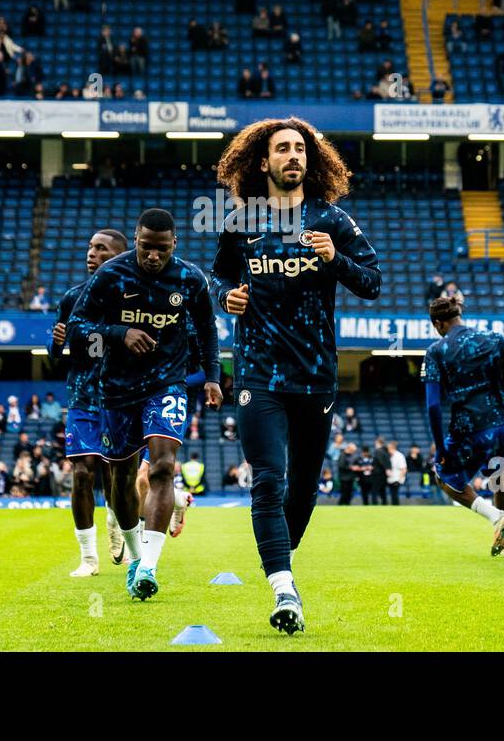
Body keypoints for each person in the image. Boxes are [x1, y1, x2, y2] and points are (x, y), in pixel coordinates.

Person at [209, 117, 381, 635]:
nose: (293, 156)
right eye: (282, 149)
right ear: (263, 162)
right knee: (268, 478)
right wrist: (226, 296)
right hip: (258, 374)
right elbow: (219, 275)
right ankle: (284, 588)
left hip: (316, 377)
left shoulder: (334, 221)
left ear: (312, 160)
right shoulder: (240, 221)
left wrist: (334, 261)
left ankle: (281, 558)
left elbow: (372, 281)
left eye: (301, 149)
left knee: (303, 491)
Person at [66, 209, 223, 602]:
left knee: (164, 466)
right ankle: (135, 556)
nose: (153, 256)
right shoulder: (111, 275)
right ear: (136, 240)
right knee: (120, 478)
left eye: (161, 249)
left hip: (166, 384)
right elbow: (77, 326)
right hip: (116, 388)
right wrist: (121, 332)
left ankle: (150, 566)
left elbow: (207, 329)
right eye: (146, 247)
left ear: (175, 245)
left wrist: (213, 377)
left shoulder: (190, 279)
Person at [422, 295, 504, 555]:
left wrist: (440, 449)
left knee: (443, 475)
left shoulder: (436, 351)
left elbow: (433, 406)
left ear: (438, 324)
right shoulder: (493, 338)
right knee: (499, 480)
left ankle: (495, 516)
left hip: (470, 427)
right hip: (503, 424)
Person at [51, 227, 128, 575]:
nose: (92, 253)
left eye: (101, 248)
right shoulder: (72, 298)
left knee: (116, 475)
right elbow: (57, 355)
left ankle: (119, 526)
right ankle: (88, 558)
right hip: (82, 398)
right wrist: (55, 343)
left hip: (119, 397)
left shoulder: (132, 298)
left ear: (119, 256)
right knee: (81, 474)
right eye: (90, 247)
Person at [386, 440, 407, 505]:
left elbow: (403, 469)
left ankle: (396, 506)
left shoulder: (399, 456)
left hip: (397, 478)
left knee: (394, 494)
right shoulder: (388, 456)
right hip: (390, 478)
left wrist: (399, 479)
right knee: (392, 494)